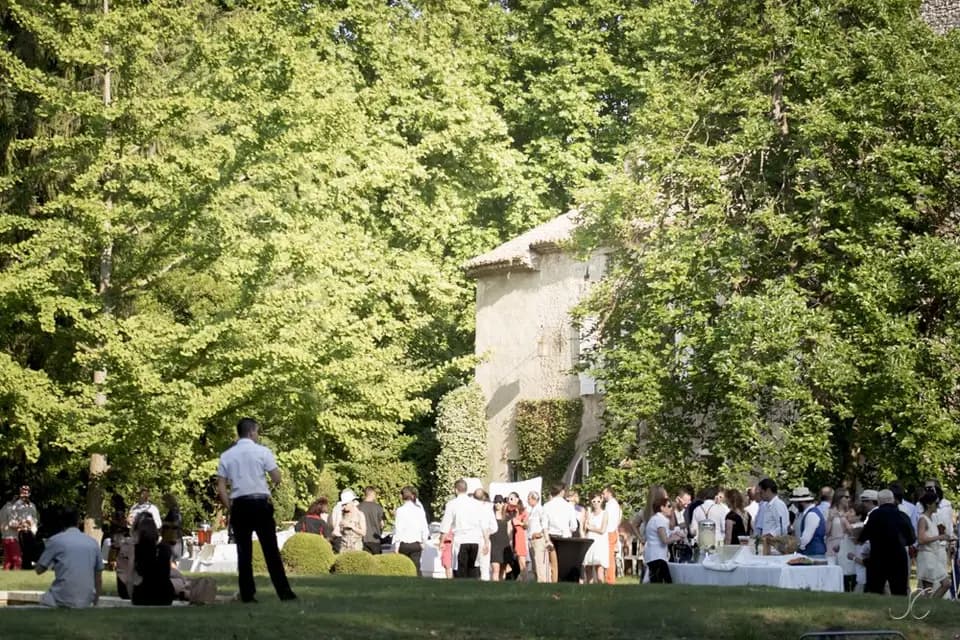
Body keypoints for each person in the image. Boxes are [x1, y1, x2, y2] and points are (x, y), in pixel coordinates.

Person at [216, 417, 297, 603]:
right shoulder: (262, 452)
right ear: (252, 432)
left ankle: (247, 593)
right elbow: (277, 477)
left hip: (239, 504)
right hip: (260, 503)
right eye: (257, 432)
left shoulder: (227, 455)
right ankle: (284, 592)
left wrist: (230, 506)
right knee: (270, 550)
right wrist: (269, 485)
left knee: (244, 552)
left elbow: (221, 487)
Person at [35, 506, 102, 608]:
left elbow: (39, 570)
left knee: (45, 599)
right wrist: (95, 602)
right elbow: (98, 576)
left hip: (61, 597)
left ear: (61, 522)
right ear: (78, 521)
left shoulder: (55, 541)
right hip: (86, 599)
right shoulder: (93, 543)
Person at [858, 488, 915, 596]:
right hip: (898, 556)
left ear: (879, 501)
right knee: (899, 591)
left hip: (878, 556)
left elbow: (864, 535)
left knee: (875, 590)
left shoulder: (874, 515)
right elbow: (911, 538)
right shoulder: (902, 516)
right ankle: (900, 612)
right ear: (893, 500)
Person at [440, 479, 491, 579]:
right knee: (473, 568)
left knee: (460, 569)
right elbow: (484, 525)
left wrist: (441, 541)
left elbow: (445, 525)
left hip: (461, 540)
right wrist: (486, 542)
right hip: (475, 540)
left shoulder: (452, 504)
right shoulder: (477, 504)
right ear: (466, 489)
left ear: (456, 490)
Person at [131, 511, 175, 606]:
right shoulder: (165, 549)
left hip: (144, 595)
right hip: (165, 595)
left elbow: (135, 574)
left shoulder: (137, 549)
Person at [916, 491, 952, 599]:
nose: (938, 506)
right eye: (936, 504)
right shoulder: (923, 519)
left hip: (934, 556)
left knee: (946, 583)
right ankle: (927, 608)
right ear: (928, 504)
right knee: (928, 589)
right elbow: (921, 539)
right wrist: (939, 537)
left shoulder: (933, 518)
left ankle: (931, 604)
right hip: (926, 556)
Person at [544, 483, 580, 582]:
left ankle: (555, 584)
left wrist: (547, 540)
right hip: (565, 538)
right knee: (566, 564)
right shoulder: (568, 506)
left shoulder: (546, 506)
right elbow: (574, 526)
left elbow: (544, 526)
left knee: (554, 566)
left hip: (552, 538)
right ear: (562, 491)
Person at [644, 496, 683, 583]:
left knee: (658, 582)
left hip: (654, 556)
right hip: (657, 557)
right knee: (666, 581)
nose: (671, 509)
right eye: (669, 506)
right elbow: (665, 540)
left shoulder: (656, 519)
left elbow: (667, 533)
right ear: (662, 508)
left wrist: (675, 534)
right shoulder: (659, 520)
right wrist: (678, 537)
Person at [393, 486, 429, 576]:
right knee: (416, 566)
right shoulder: (419, 510)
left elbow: (398, 529)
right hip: (416, 543)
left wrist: (396, 546)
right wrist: (424, 542)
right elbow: (424, 527)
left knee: (404, 568)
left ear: (402, 496)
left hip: (404, 544)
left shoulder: (400, 510)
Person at [790, 487, 827, 556]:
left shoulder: (811, 515)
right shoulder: (808, 513)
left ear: (801, 502)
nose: (795, 505)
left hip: (814, 553)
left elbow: (805, 539)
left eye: (795, 503)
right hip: (812, 553)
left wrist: (793, 547)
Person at [581, 493, 609, 584]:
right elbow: (585, 529)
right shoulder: (590, 514)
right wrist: (587, 518)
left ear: (601, 501)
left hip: (600, 542)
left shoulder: (605, 513)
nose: (596, 503)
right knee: (588, 566)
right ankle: (590, 588)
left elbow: (602, 530)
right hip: (590, 541)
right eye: (594, 501)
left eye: (598, 501)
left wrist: (591, 528)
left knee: (599, 567)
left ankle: (601, 589)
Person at [10, 486, 39, 569]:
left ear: (29, 493)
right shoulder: (15, 505)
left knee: (31, 551)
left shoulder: (32, 505)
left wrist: (33, 528)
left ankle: (28, 566)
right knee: (23, 551)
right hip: (20, 531)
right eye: (23, 492)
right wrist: (20, 526)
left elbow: (35, 518)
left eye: (26, 491)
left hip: (31, 531)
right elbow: (11, 519)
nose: (25, 493)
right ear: (20, 493)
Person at [526, 491, 549, 582]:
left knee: (539, 562)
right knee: (534, 563)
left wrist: (541, 534)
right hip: (531, 539)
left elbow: (545, 523)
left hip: (538, 540)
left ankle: (542, 582)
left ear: (534, 499)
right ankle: (537, 581)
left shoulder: (540, 509)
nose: (527, 500)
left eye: (529, 498)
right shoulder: (532, 510)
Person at [489, 496, 512, 581]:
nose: (497, 504)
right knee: (495, 569)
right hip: (494, 544)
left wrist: (511, 544)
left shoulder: (507, 517)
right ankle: (494, 588)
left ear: (503, 504)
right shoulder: (490, 517)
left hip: (504, 544)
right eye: (496, 502)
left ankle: (501, 588)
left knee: (503, 570)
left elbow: (509, 531)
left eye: (499, 502)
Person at [506, 492, 529, 580]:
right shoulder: (507, 510)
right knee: (508, 561)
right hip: (509, 538)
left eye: (512, 498)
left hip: (519, 537)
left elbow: (526, 525)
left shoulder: (523, 511)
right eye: (509, 499)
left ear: (517, 499)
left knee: (522, 561)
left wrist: (518, 522)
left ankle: (525, 581)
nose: (510, 501)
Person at [824, 489, 852, 562]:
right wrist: (830, 519)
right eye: (846, 497)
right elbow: (826, 532)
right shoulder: (829, 511)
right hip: (832, 547)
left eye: (849, 497)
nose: (848, 499)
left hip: (847, 547)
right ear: (839, 498)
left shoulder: (851, 512)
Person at [357, 486, 385, 555]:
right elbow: (382, 524)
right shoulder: (378, 507)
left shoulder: (358, 507)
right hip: (375, 540)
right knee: (377, 562)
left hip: (362, 539)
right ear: (372, 494)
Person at [602, 486, 621, 584]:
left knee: (609, 557)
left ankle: (610, 579)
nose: (603, 495)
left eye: (604, 493)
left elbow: (609, 520)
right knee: (608, 556)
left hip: (609, 531)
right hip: (611, 531)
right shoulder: (612, 504)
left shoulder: (612, 505)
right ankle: (608, 578)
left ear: (609, 493)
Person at [1, 492, 22, 570]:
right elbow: (12, 523)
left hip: (4, 537)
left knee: (8, 561)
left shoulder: (3, 508)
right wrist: (22, 526)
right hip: (11, 538)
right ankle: (18, 579)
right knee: (17, 560)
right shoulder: (11, 509)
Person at [160, 493, 183, 560]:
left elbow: (176, 524)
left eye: (164, 502)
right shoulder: (174, 510)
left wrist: (164, 523)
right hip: (174, 539)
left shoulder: (174, 511)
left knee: (171, 562)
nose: (163, 504)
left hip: (173, 540)